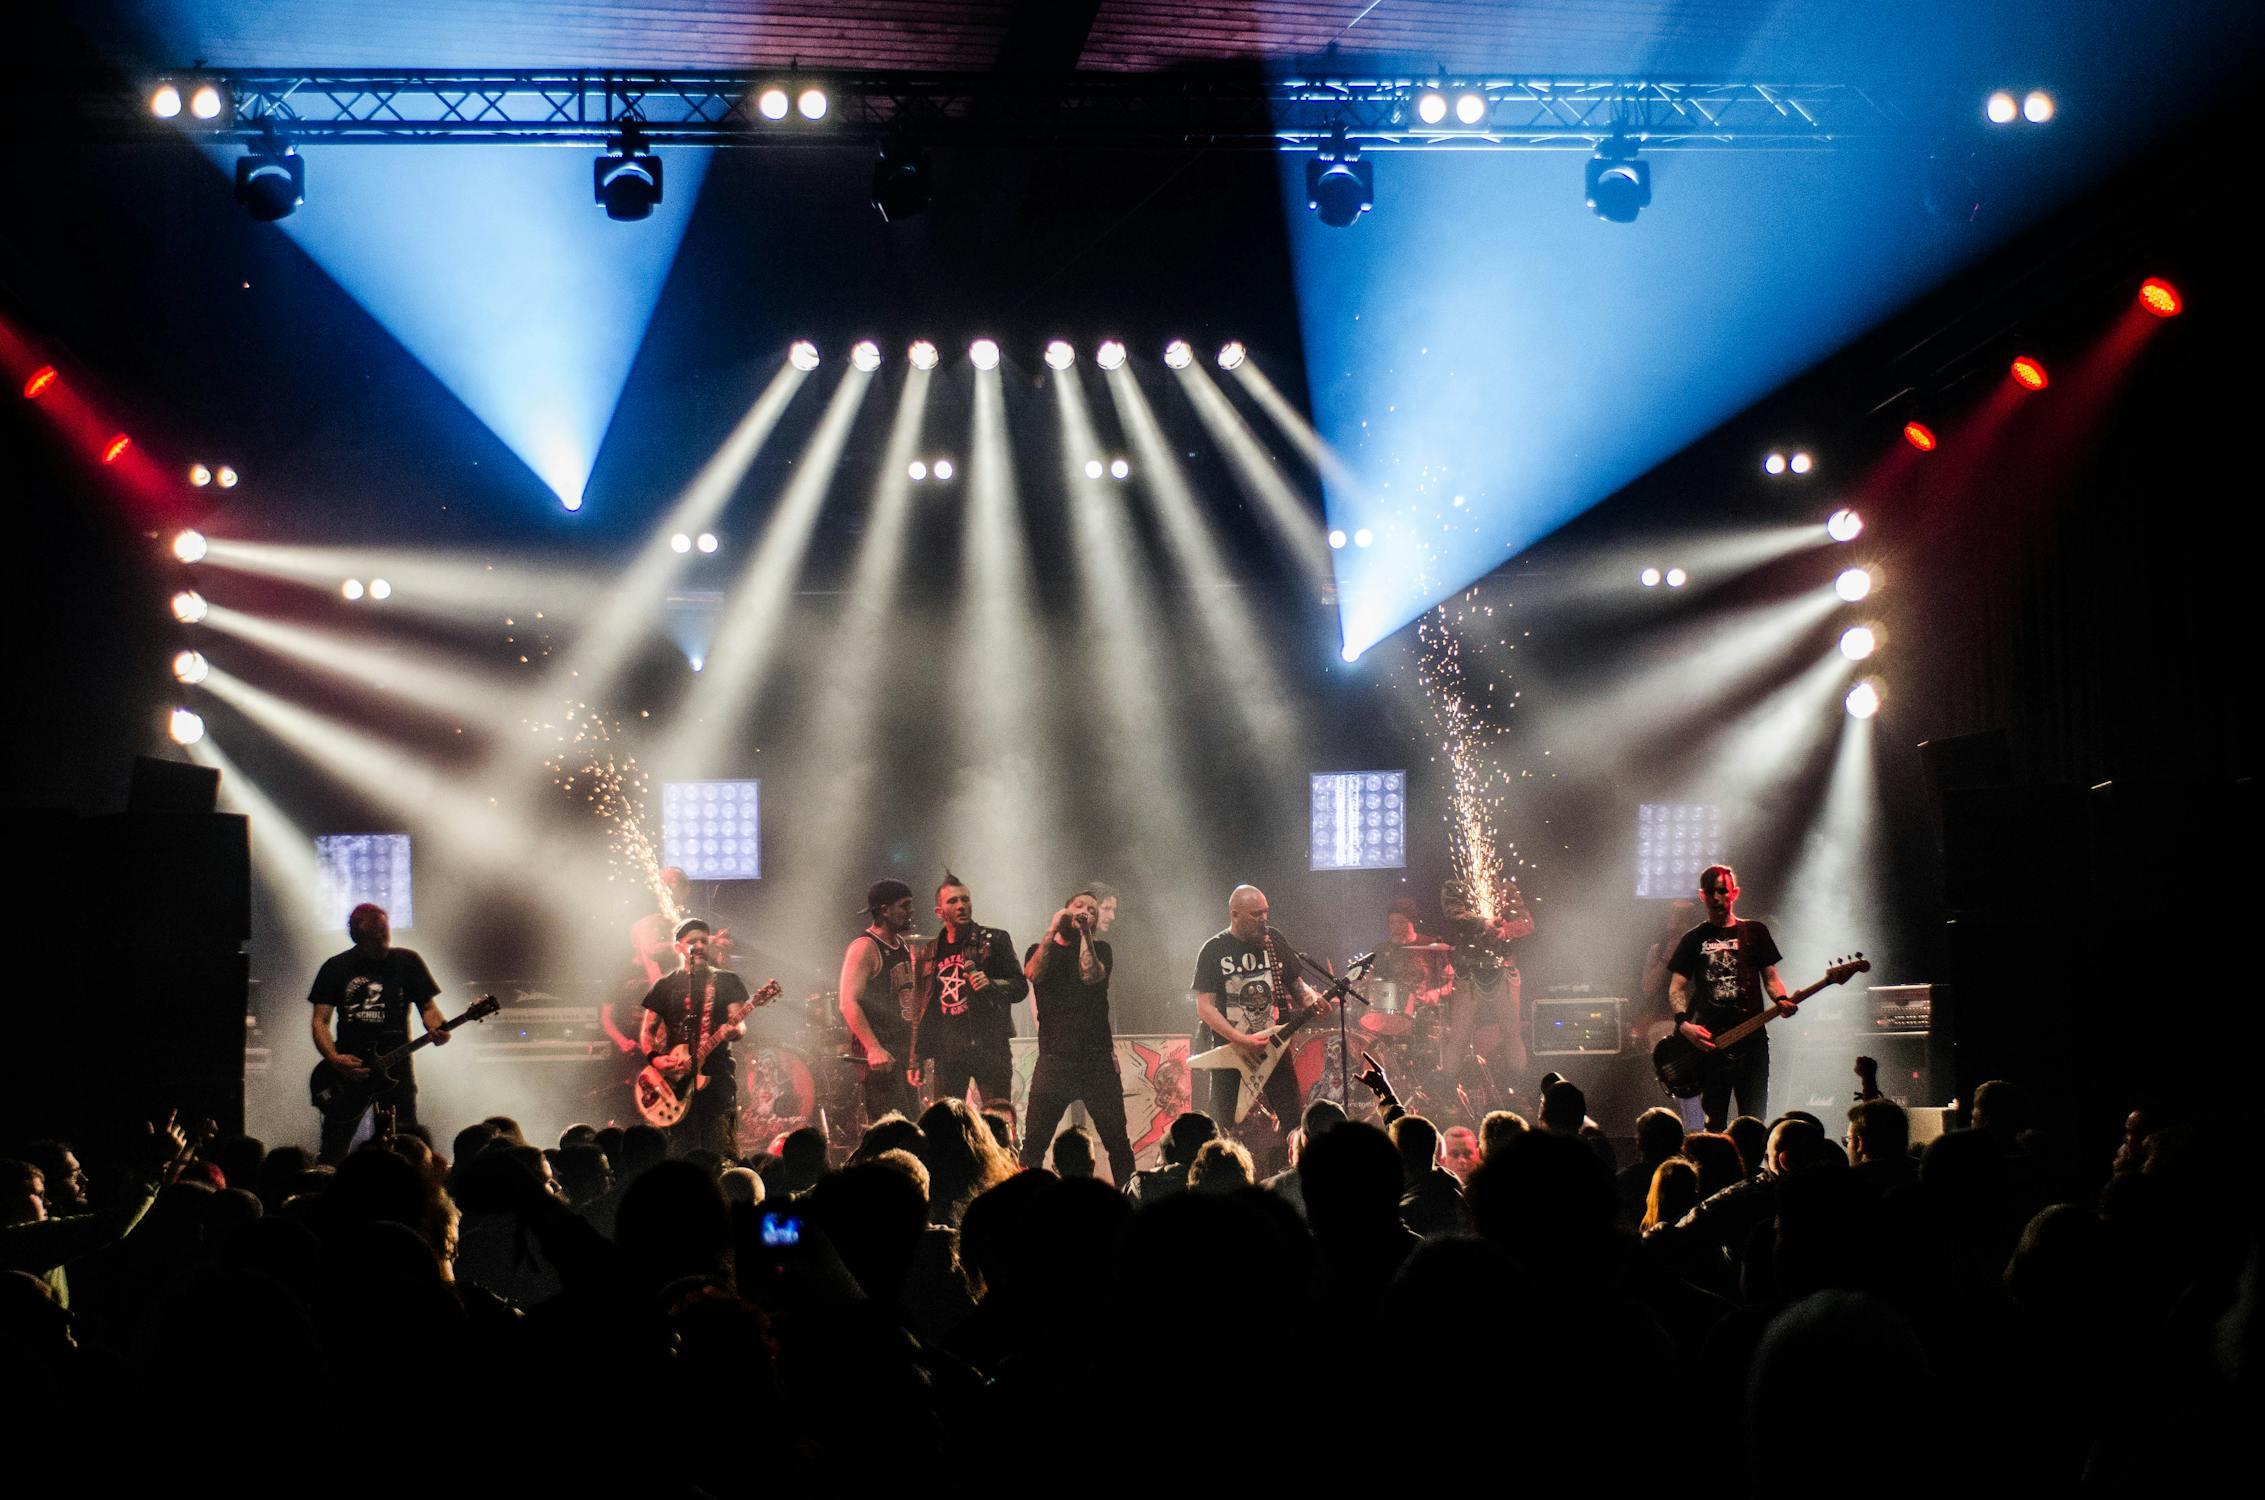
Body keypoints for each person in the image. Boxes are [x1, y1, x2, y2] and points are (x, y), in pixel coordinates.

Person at [307, 903, 450, 1164]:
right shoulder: (336, 967)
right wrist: (334, 1059)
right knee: (335, 1145)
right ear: (357, 937)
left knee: (405, 1143)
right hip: (351, 1069)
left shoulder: (408, 962)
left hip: (396, 1067)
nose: (383, 940)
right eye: (375, 936)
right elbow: (320, 1021)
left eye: (385, 932)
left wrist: (437, 1027)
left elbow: (428, 1007)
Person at [1020, 891, 1137, 1184]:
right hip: (1054, 1061)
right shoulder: (1039, 948)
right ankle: (1024, 1202)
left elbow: (1090, 976)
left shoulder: (1102, 950)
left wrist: (1085, 932)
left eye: (1092, 910)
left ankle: (1130, 1200)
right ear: (1064, 910)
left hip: (1096, 1062)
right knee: (1033, 1145)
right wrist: (1052, 928)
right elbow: (1033, 974)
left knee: (1117, 1142)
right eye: (1079, 906)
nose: (1085, 912)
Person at [1190, 885, 1321, 1139]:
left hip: (1274, 1047)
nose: (1263, 919)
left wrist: (1313, 1000)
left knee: (1294, 1121)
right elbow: (1204, 1007)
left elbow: (1296, 984)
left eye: (1265, 912)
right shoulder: (1213, 949)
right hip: (1231, 1050)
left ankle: (1296, 1162)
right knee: (1220, 1126)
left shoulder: (1274, 940)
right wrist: (1240, 1039)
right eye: (1255, 914)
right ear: (1235, 914)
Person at [1666, 865, 1791, 1130]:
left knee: (1753, 1121)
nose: (1716, 897)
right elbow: (1676, 987)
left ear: (1735, 893)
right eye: (1710, 892)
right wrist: (1684, 1025)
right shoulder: (1693, 939)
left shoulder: (1755, 932)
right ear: (1702, 895)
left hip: (1752, 1041)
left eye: (1722, 891)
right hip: (1711, 1044)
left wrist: (1781, 999)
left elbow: (1771, 979)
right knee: (1714, 1125)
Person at [908, 872, 1026, 1108]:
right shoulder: (928, 953)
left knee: (997, 1119)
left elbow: (1020, 987)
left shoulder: (995, 940)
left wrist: (992, 984)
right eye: (953, 901)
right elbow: (920, 1008)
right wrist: (915, 1058)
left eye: (965, 899)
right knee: (948, 1123)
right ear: (939, 912)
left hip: (990, 1049)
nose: (961, 906)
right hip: (947, 1053)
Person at [637, 918, 754, 1157]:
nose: (699, 945)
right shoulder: (664, 986)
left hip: (717, 1078)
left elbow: (739, 1024)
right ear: (678, 946)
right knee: (679, 1153)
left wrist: (734, 1030)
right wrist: (656, 1059)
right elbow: (647, 1031)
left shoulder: (727, 980)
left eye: (703, 940)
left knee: (721, 1152)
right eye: (692, 941)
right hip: (676, 1082)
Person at [840, 880, 922, 1128]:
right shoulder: (865, 947)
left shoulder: (900, 944)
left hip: (901, 1053)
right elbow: (847, 1002)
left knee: (913, 1127)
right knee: (894, 1130)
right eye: (904, 906)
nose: (910, 911)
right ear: (885, 910)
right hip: (881, 1056)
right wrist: (873, 1048)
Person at [1437, 878, 1533, 1091]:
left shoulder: (1506, 887)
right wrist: (1483, 923)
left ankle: (1518, 1092)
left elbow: (1526, 922)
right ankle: (1449, 1092)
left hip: (1502, 970)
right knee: (1459, 1037)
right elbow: (1454, 914)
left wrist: (1506, 930)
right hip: (1469, 971)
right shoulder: (1455, 886)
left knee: (1512, 1032)